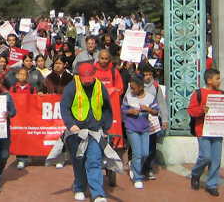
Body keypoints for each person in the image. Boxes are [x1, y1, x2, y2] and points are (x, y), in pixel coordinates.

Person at [60, 63, 113, 202]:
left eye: (90, 78)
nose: (88, 82)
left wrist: (106, 128)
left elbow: (107, 107)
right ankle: (79, 187)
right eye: (85, 79)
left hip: (95, 131)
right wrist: (70, 124)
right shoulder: (71, 87)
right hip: (76, 133)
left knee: (94, 161)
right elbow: (64, 107)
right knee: (79, 161)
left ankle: (98, 194)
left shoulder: (100, 87)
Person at [188, 69, 224, 197]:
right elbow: (191, 111)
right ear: (209, 80)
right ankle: (196, 174)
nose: (219, 81)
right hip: (202, 130)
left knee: (216, 158)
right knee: (205, 156)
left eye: (219, 78)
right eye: (217, 78)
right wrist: (202, 110)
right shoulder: (199, 93)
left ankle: (212, 184)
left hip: (218, 130)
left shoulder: (221, 93)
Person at [121, 75, 159, 189]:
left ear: (141, 87)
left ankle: (134, 165)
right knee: (137, 153)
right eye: (131, 88)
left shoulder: (150, 97)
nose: (132, 90)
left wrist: (149, 110)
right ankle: (137, 177)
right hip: (132, 128)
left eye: (134, 88)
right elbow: (122, 110)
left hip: (145, 129)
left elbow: (156, 112)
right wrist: (131, 111)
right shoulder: (128, 97)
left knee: (145, 153)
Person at [141, 65, 168, 180]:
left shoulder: (156, 86)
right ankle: (137, 167)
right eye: (145, 75)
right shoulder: (135, 84)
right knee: (140, 148)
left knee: (151, 146)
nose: (147, 77)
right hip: (138, 120)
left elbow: (161, 102)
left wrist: (165, 118)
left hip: (152, 120)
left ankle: (147, 169)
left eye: (149, 75)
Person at [9, 67, 37, 170]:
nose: (22, 76)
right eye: (20, 74)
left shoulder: (31, 88)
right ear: (16, 76)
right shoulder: (13, 88)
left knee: (28, 136)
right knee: (18, 137)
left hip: (28, 117)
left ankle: (28, 154)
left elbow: (35, 101)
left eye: (24, 74)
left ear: (27, 77)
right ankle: (21, 159)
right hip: (17, 118)